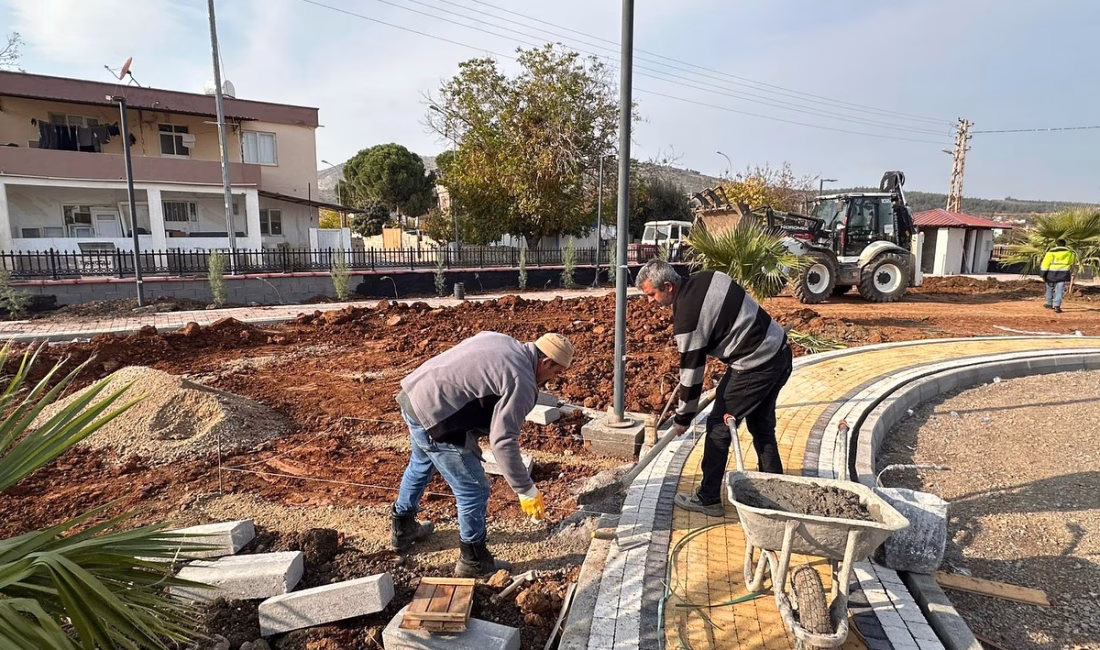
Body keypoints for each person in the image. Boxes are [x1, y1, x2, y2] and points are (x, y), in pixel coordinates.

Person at [390, 331, 574, 577]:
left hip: (415, 398)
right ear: (546, 362)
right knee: (474, 489)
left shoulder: (503, 340)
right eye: (555, 372)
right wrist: (525, 489)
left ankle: (402, 528)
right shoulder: (522, 380)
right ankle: (473, 561)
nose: (552, 380)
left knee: (422, 462)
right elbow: (503, 440)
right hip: (438, 419)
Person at [636, 259, 793, 517]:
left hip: (755, 364)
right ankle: (776, 487)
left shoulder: (687, 318)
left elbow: (692, 372)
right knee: (761, 423)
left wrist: (683, 417)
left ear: (668, 286)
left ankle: (708, 499)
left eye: (652, 294)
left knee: (718, 427)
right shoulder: (709, 277)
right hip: (779, 350)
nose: (650, 301)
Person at [1040, 239, 1074, 314]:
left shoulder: (1050, 252)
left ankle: (1049, 303)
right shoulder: (1070, 253)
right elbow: (1071, 262)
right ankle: (1057, 306)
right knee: (1060, 290)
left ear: (1056, 245)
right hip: (1063, 273)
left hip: (1051, 273)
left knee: (1050, 287)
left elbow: (1045, 264)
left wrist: (1042, 274)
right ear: (1065, 245)